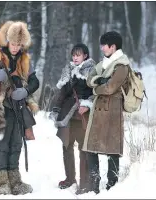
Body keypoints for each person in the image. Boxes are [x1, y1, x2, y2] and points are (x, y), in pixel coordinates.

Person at [0, 21, 39, 195]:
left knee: (16, 144)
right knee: (2, 144)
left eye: (19, 45)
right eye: (13, 44)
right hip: (1, 107)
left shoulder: (24, 59)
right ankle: (0, 183)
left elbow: (35, 81)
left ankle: (15, 182)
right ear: (8, 41)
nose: (15, 48)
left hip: (19, 108)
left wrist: (25, 91)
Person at [82, 31, 131, 194]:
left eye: (104, 45)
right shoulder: (104, 63)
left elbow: (110, 87)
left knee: (112, 150)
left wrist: (97, 88)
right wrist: (98, 82)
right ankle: (94, 183)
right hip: (99, 110)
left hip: (112, 110)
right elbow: (89, 79)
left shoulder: (122, 65)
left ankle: (112, 185)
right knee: (90, 148)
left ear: (113, 46)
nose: (102, 48)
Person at [49, 44, 96, 195]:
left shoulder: (91, 70)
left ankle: (85, 183)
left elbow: (96, 93)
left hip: (83, 115)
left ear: (85, 56)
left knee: (83, 148)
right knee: (66, 146)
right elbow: (61, 93)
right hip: (67, 115)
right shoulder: (67, 71)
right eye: (73, 55)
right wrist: (56, 109)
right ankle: (70, 178)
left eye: (78, 54)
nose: (75, 57)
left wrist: (87, 105)